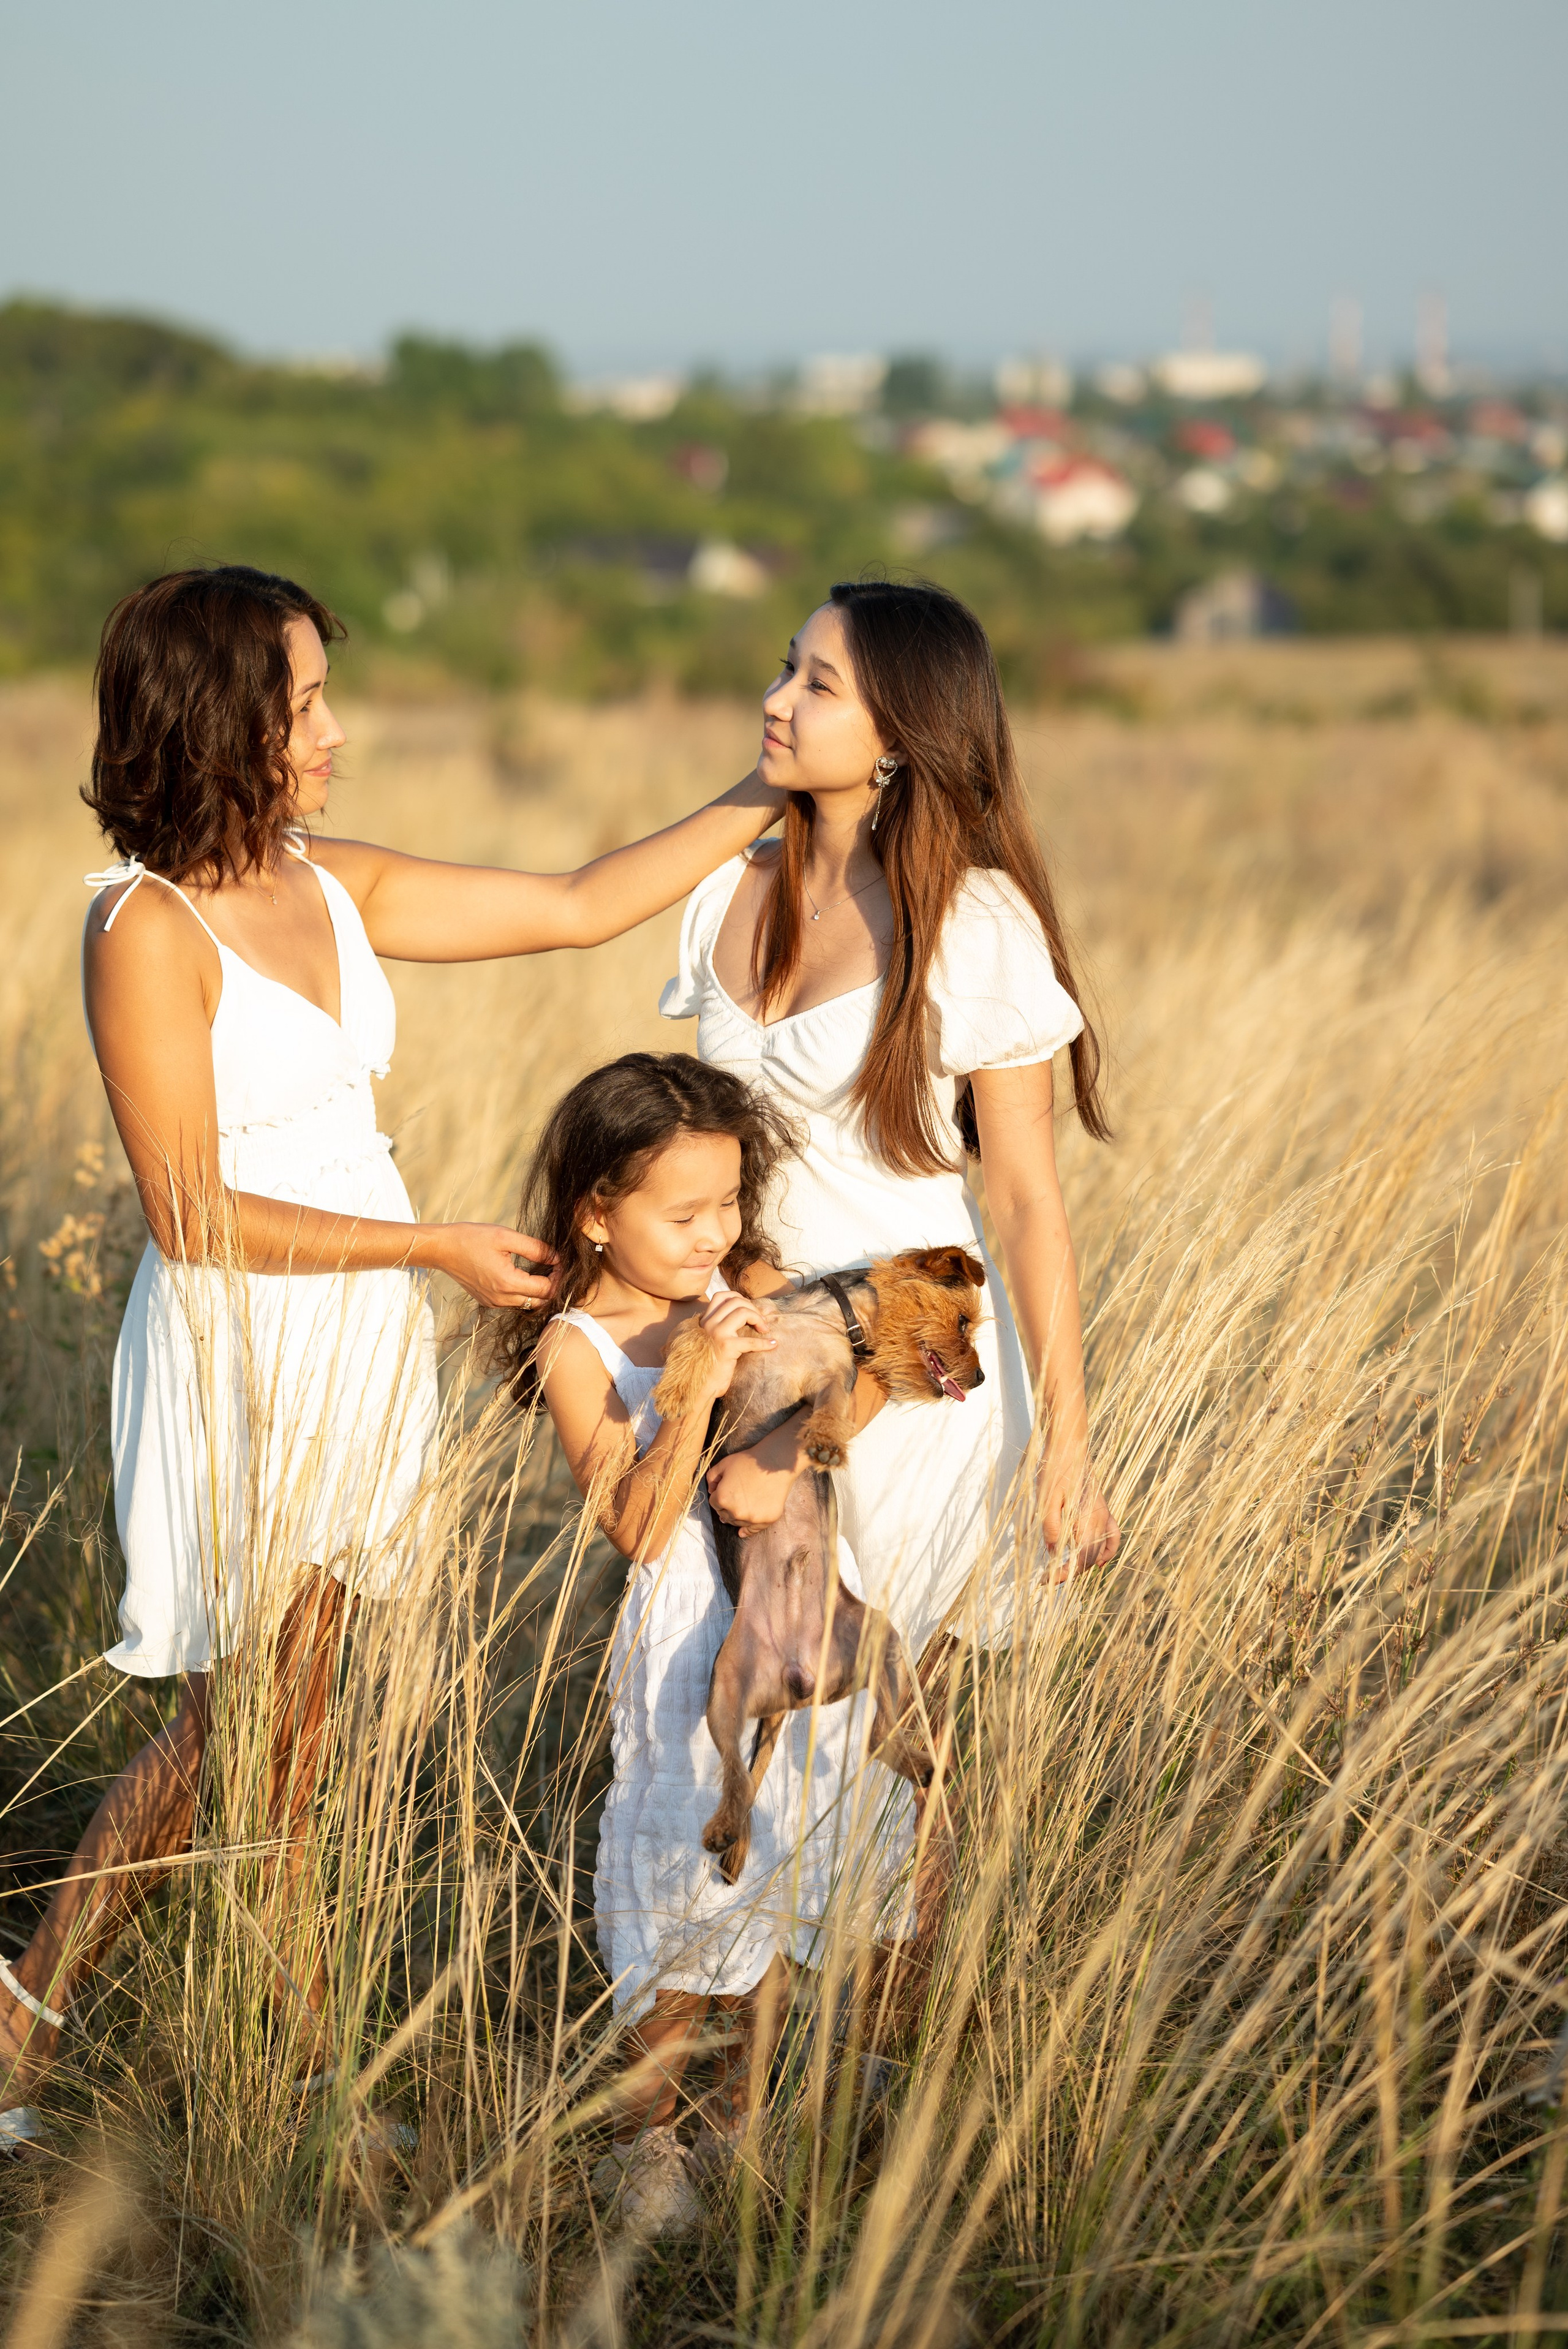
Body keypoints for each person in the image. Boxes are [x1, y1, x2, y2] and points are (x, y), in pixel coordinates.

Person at [0, 565, 783, 2149]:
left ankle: (295, 2083)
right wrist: (429, 1249)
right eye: (305, 706)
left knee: (301, 1735)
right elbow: (188, 1204)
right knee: (245, 1731)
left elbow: (574, 899)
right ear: (226, 721)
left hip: (356, 1342)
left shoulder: (331, 882)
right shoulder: (142, 927)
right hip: (245, 1344)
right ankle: (26, 2016)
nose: (334, 733)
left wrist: (762, 790)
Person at [660, 578, 1120, 1676]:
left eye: (817, 685)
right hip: (753, 1350)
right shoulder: (726, 894)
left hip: (914, 1358)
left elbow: (1023, 1200)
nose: (777, 699)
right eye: (785, 667)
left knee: (908, 1756)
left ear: (897, 742)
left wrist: (1070, 1447)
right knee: (761, 1747)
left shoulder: (974, 923)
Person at [491, 1051, 889, 2238]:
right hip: (684, 1640)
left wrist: (785, 1441)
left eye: (727, 1200)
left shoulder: (748, 1273)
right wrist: (698, 1378)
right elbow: (637, 1520)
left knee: (786, 1860)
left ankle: (737, 2114)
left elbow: (875, 1359)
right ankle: (641, 2133)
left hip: (800, 1600)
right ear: (596, 1213)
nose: (715, 1232)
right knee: (682, 1881)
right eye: (682, 1213)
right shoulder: (579, 1347)